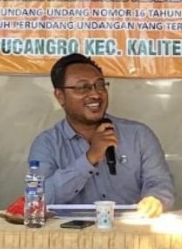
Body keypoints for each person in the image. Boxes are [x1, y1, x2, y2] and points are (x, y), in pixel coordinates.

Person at [28, 53, 174, 217]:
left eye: (100, 85)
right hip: (70, 232)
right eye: (83, 87)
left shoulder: (139, 136)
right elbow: (38, 199)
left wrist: (155, 199)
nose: (95, 94)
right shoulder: (46, 144)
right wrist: (89, 158)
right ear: (60, 96)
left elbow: (160, 183)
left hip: (130, 229)